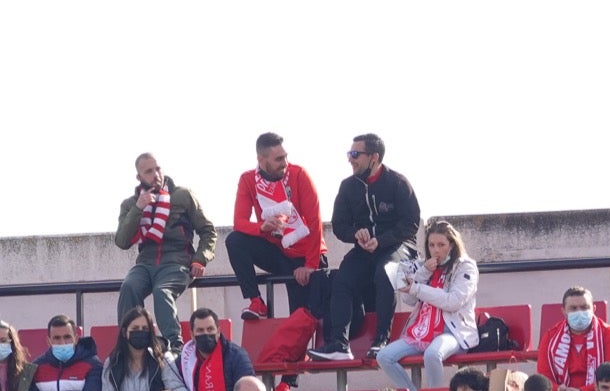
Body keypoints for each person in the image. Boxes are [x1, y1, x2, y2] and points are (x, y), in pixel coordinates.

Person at [312, 133, 422, 361]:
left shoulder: (397, 183)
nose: (350, 159)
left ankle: (382, 340)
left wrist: (381, 240)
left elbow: (411, 223)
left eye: (355, 154)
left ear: (374, 157)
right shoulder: (347, 186)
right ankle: (339, 345)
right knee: (343, 277)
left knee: (386, 272)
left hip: (398, 246)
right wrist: (356, 234)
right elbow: (339, 225)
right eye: (349, 154)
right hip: (364, 249)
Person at [115, 152, 217, 343]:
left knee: (162, 292)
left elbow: (208, 231)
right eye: (149, 171)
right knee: (129, 287)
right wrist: (138, 208)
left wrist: (200, 259)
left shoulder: (182, 195)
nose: (156, 175)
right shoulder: (130, 204)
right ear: (139, 177)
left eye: (158, 169)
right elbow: (122, 241)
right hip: (146, 263)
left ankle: (174, 345)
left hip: (177, 262)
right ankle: (128, 342)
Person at [226, 131, 327, 319]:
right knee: (234, 241)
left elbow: (315, 221)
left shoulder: (299, 174)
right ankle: (256, 302)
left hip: (307, 255)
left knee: (301, 318)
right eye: (278, 159)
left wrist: (310, 265)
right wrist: (261, 228)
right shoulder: (248, 179)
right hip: (279, 252)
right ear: (261, 160)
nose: (285, 163)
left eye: (285, 156)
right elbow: (239, 223)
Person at [377, 219, 480, 391]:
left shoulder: (465, 266)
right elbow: (409, 299)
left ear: (452, 245)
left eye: (441, 245)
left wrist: (417, 288)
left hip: (453, 332)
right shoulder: (425, 265)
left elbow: (453, 302)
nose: (436, 250)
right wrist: (423, 273)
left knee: (432, 354)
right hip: (422, 331)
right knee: (384, 356)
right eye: (432, 245)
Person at [101, 305, 191, 391]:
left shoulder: (162, 357)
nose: (140, 332)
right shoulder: (113, 362)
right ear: (125, 332)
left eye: (144, 329)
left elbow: (175, 386)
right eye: (135, 329)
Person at [537, 287, 610, 391]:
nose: (579, 312)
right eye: (573, 308)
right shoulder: (550, 337)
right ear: (563, 311)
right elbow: (544, 377)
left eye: (584, 307)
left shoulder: (609, 334)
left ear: (594, 309)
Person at [177, 307, 254, 391]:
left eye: (210, 329)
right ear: (192, 335)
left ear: (218, 331)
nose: (206, 334)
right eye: (200, 330)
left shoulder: (237, 356)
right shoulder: (183, 361)